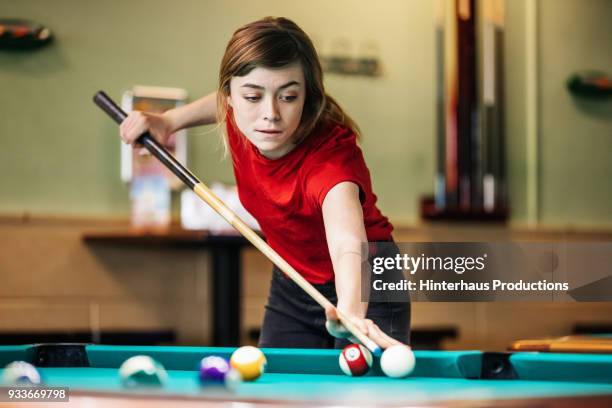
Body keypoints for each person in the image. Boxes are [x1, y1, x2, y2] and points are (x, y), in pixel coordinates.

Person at [120, 16, 410, 349]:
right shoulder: (245, 117)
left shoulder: (329, 161)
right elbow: (224, 101)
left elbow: (348, 241)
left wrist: (352, 312)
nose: (270, 113)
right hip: (294, 281)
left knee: (359, 398)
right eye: (253, 96)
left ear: (308, 97)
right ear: (231, 95)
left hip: (367, 283)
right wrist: (168, 121)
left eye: (288, 97)